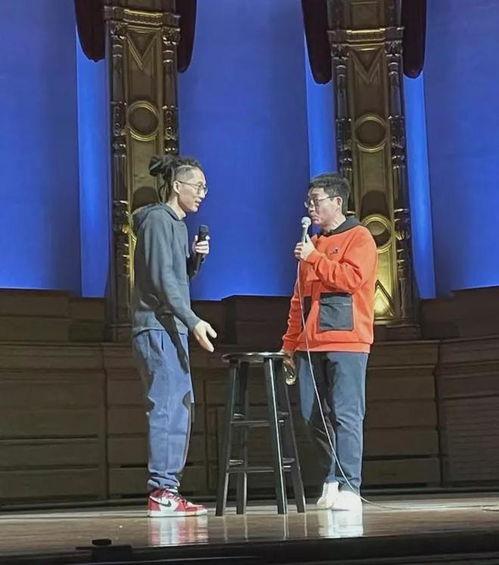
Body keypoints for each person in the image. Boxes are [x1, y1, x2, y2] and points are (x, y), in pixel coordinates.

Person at [282, 173, 378, 512]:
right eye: (308, 201)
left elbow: (351, 279)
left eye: (316, 201)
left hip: (347, 339)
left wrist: (314, 258)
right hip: (310, 343)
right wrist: (289, 343)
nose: (310, 207)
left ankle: (350, 484)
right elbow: (299, 299)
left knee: (346, 414)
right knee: (311, 415)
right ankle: (332, 477)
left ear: (337, 202)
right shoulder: (313, 243)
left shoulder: (359, 237)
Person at [131, 154, 217, 517]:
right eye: (198, 186)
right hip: (157, 325)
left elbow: (175, 276)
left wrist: (195, 261)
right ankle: (162, 490)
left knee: (180, 406)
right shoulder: (156, 221)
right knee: (167, 407)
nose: (202, 193)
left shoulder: (178, 226)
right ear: (177, 186)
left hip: (173, 326)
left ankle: (169, 489)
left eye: (205, 187)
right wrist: (194, 320)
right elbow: (162, 280)